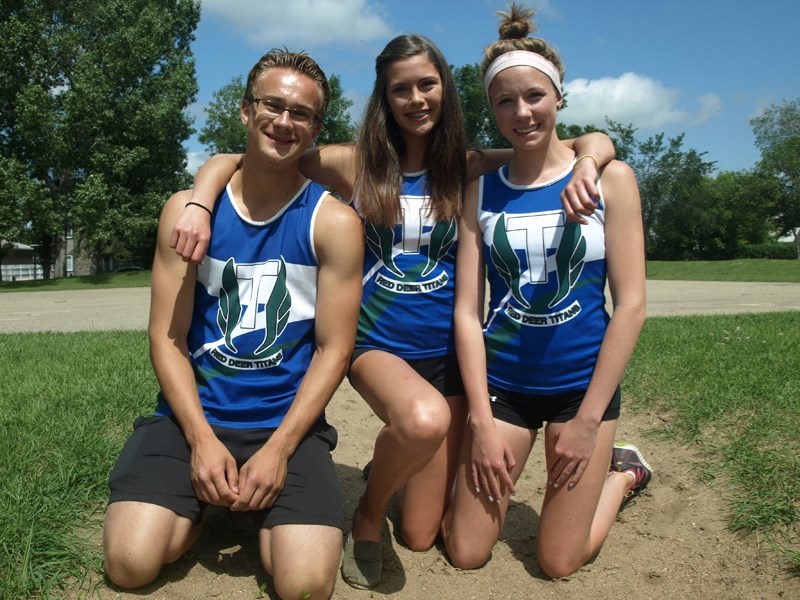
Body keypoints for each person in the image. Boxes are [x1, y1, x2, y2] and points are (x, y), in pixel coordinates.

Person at [170, 36, 616, 590]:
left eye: (426, 85)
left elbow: (582, 141)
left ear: (445, 90)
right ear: (384, 97)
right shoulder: (350, 163)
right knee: (421, 419)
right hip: (375, 345)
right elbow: (241, 157)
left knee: (424, 533)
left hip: (449, 357)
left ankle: (434, 477)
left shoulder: (468, 166)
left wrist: (593, 159)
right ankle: (367, 512)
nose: (415, 99)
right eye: (400, 88)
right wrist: (197, 199)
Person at [102, 49, 364, 600]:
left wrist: (278, 449)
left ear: (316, 129)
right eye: (272, 105)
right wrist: (200, 440)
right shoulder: (186, 210)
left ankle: (256, 505)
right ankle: (202, 507)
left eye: (302, 114)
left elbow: (333, 350)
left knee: (306, 585)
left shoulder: (334, 221)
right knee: (131, 563)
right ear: (246, 111)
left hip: (284, 427)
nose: (284, 122)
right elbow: (167, 337)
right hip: (189, 420)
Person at [440, 4, 652, 579]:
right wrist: (480, 422)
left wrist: (587, 423)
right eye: (505, 100)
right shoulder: (480, 192)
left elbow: (631, 304)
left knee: (559, 561)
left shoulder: (611, 179)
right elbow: (467, 311)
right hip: (505, 388)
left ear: (559, 97)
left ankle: (623, 475)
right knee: (465, 550)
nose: (521, 111)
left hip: (579, 391)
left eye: (534, 95)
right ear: (492, 109)